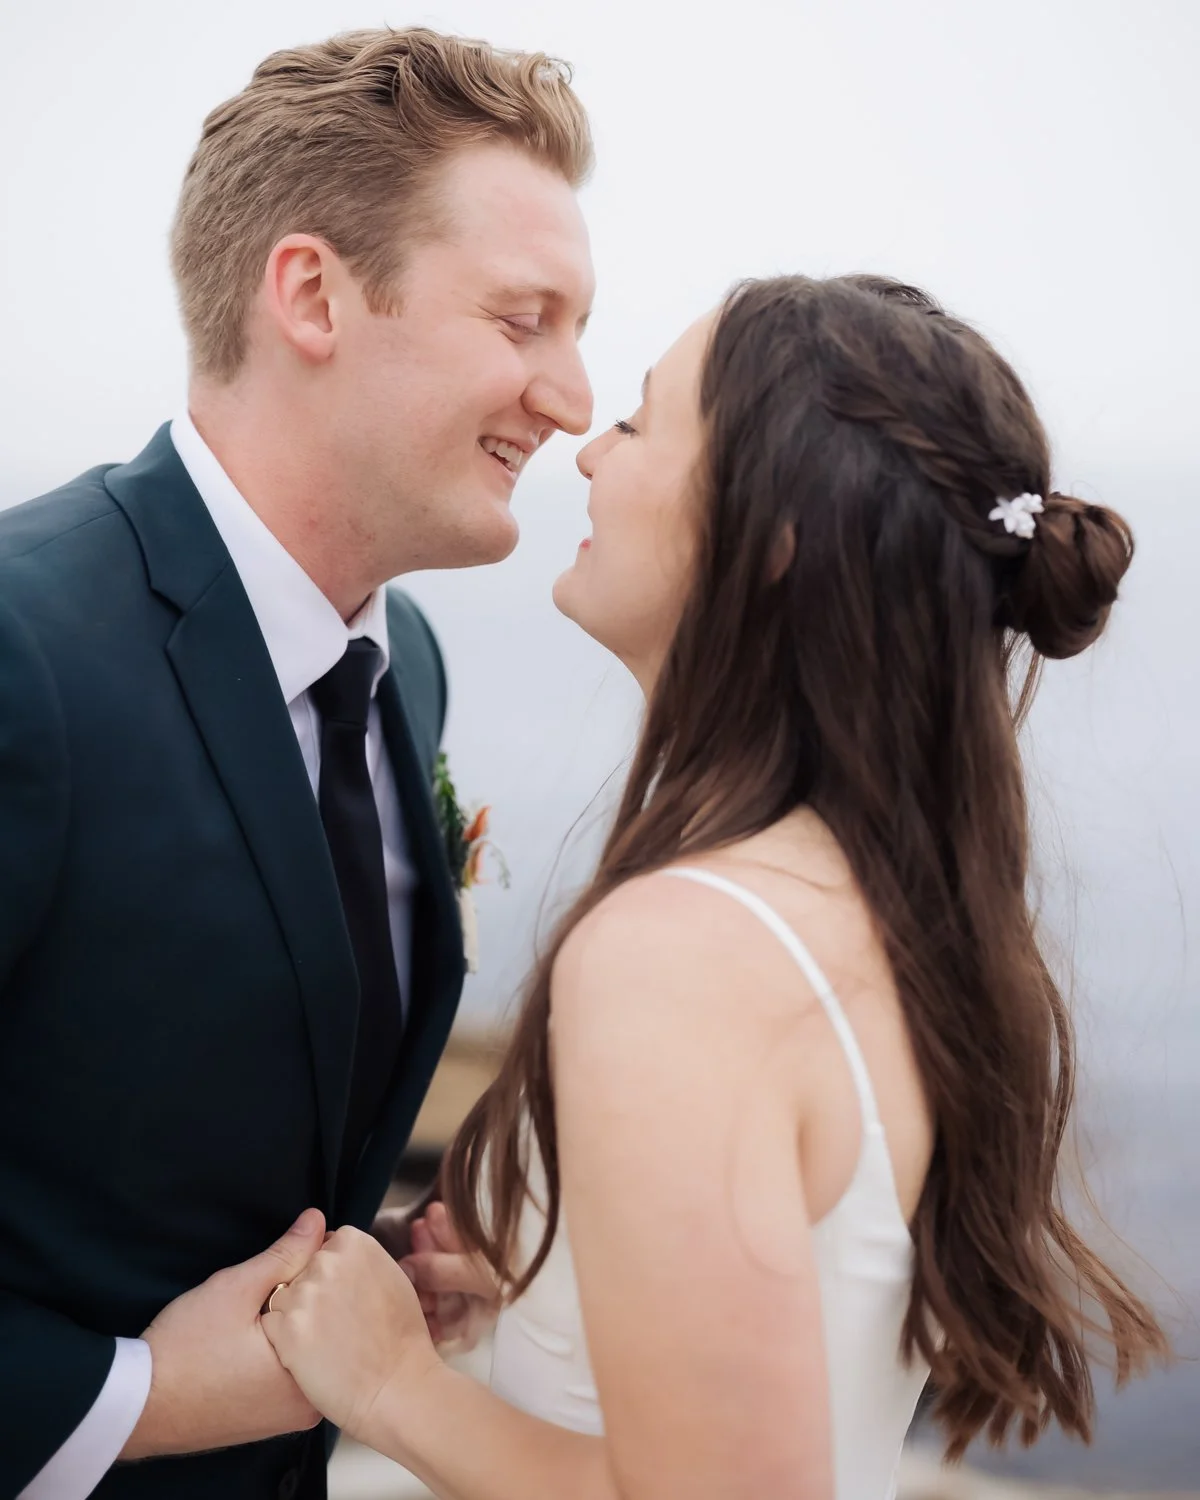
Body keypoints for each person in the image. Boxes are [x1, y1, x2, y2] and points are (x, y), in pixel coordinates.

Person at [260, 274, 1168, 1498]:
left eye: (639, 423)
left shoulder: (682, 951)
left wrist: (387, 1388)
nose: (588, 452)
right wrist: (555, 1266)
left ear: (775, 539)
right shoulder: (881, 909)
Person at [0, 27, 594, 1500]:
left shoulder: (410, 670)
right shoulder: (22, 648)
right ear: (314, 295)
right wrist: (128, 1399)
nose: (573, 400)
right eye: (525, 321)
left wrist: (375, 1272)